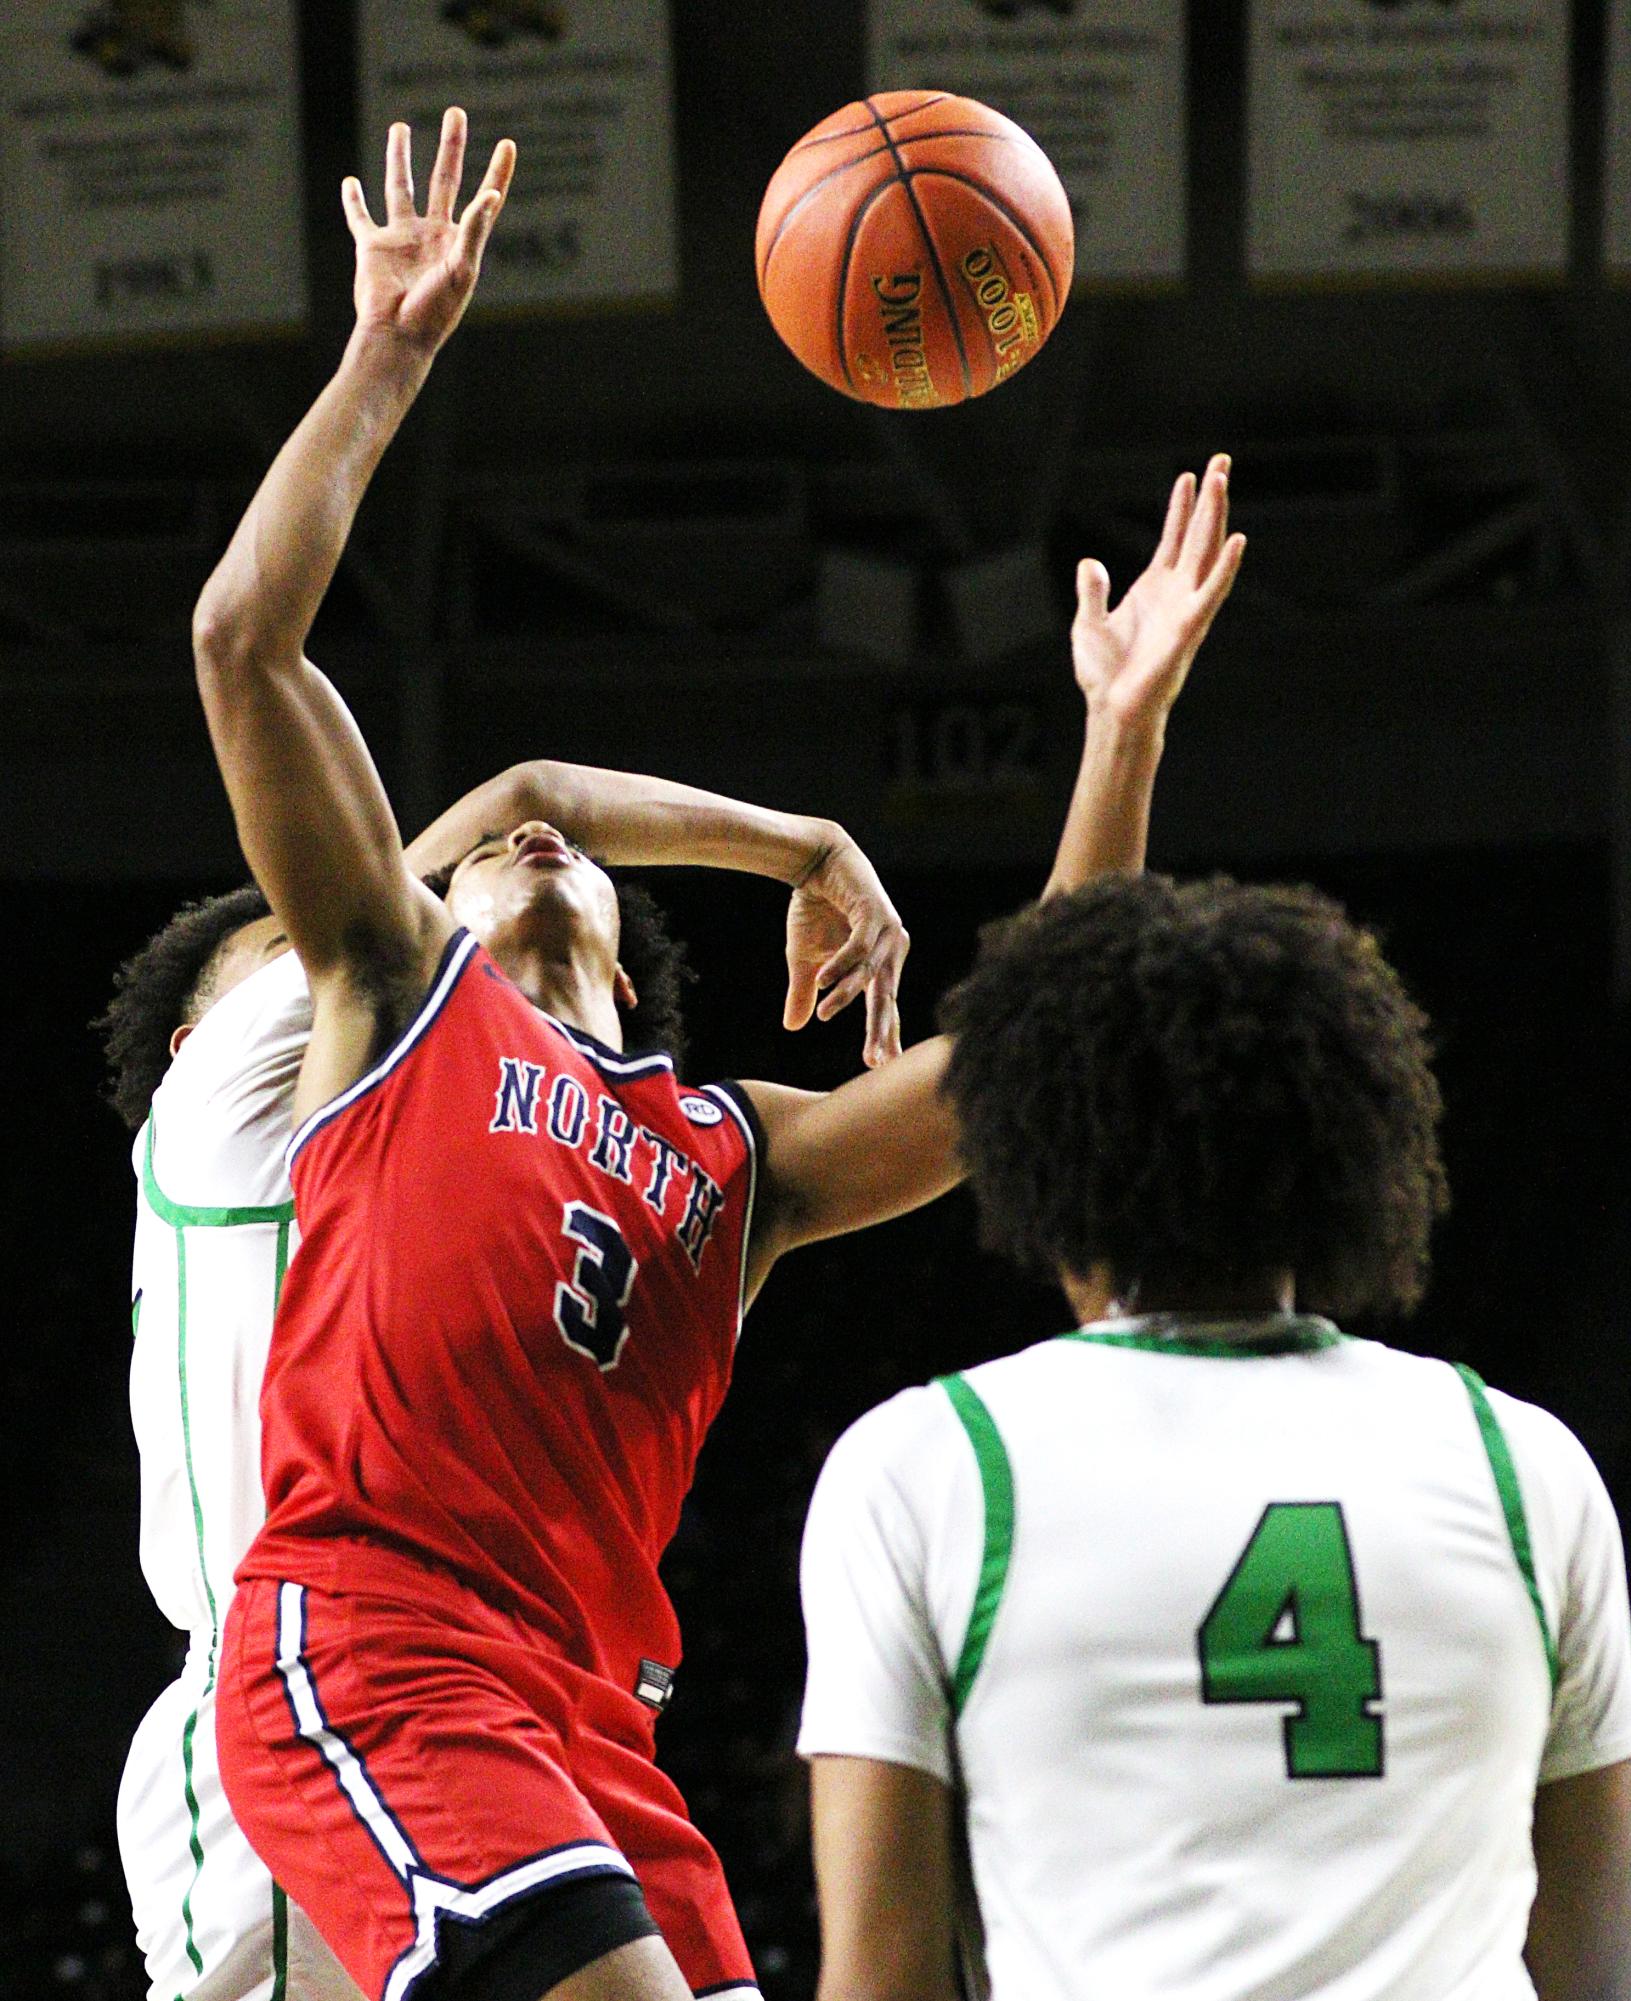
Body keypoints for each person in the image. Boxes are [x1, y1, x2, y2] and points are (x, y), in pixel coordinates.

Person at [193, 106, 1243, 2001]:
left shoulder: (719, 1149)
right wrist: (388, 355)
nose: (530, 833)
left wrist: (1120, 731)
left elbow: (1026, 1054)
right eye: (511, 830)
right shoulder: (390, 993)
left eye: (563, 846)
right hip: (376, 1639)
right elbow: (244, 646)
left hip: (594, 1720)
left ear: (618, 935)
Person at [103, 759, 917, 2001]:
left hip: (526, 1701)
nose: (324, 932)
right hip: (320, 1676)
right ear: (194, 1039)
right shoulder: (237, 1091)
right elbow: (511, 807)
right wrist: (804, 844)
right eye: (284, 938)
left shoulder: (571, 1134)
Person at [796, 873, 1631, 2001]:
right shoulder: (1521, 1463)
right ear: (1343, 1144)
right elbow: (1588, 1975)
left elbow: (881, 1982)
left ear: (1037, 1154)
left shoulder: (930, 1463)